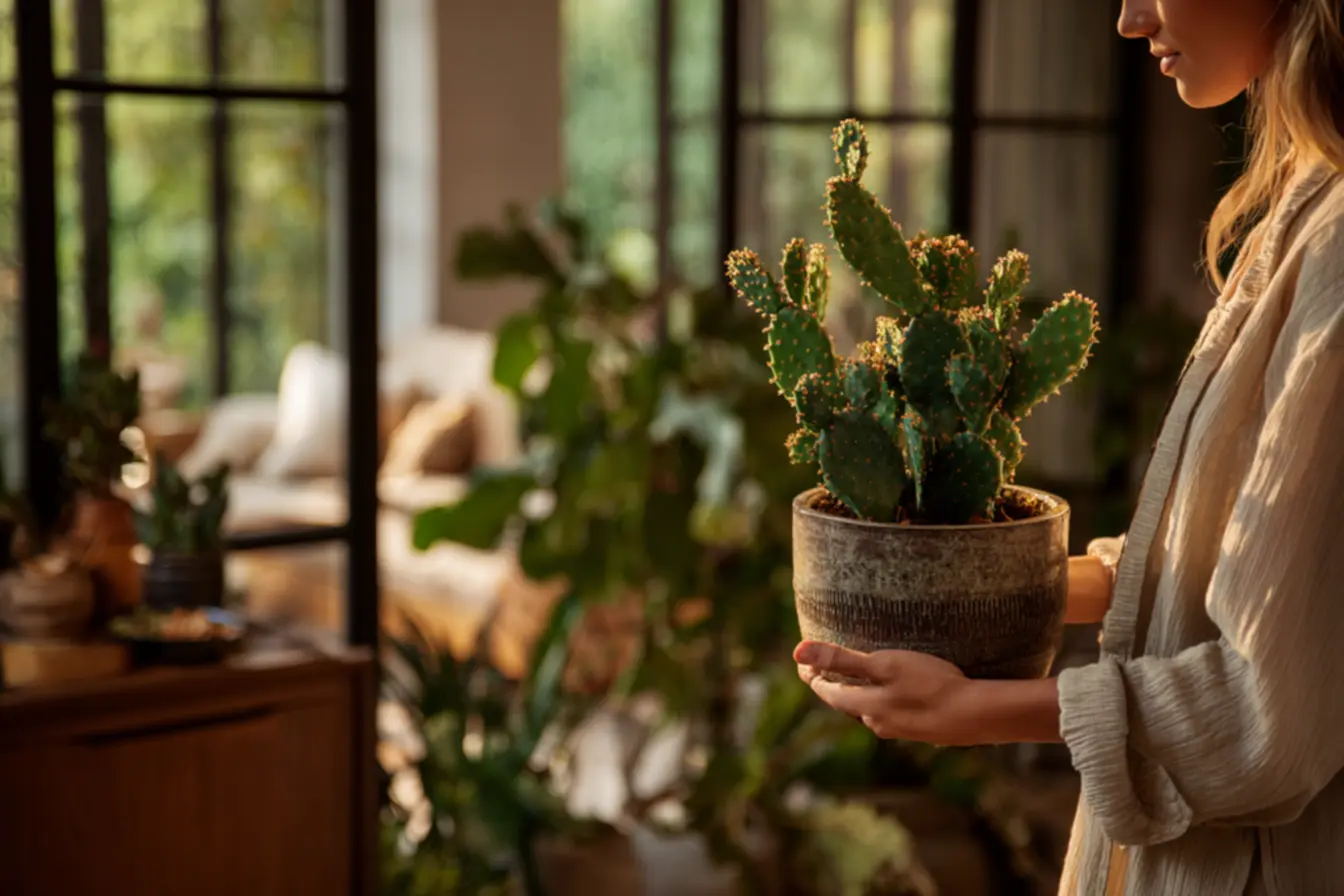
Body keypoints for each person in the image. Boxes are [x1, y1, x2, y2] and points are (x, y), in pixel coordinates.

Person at [794, 1, 1344, 893]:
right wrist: (963, 588)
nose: (1129, 19)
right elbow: (1243, 567)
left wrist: (974, 711)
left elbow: (1266, 710)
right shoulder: (1310, 197)